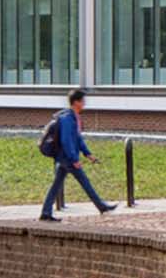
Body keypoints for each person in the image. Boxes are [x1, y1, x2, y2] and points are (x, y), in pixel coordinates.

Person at [39, 86, 115, 220]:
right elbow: (67, 140)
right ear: (76, 102)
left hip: (63, 158)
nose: (84, 103)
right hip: (66, 158)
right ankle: (101, 206)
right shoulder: (68, 119)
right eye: (82, 100)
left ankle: (46, 212)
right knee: (84, 181)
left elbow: (77, 138)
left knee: (56, 185)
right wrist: (74, 159)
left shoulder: (73, 117)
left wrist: (87, 153)